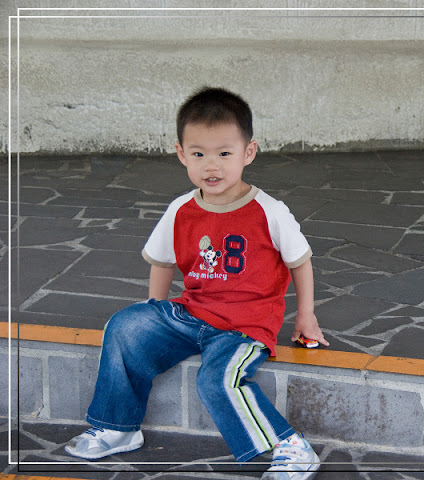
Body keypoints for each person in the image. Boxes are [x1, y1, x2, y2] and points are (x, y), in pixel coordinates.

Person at [65, 86, 329, 479]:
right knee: (125, 326)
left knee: (216, 379)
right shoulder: (181, 209)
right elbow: (162, 263)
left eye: (224, 153)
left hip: (244, 325)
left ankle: (290, 446)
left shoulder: (269, 211)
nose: (211, 166)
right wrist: (153, 313)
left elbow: (300, 262)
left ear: (248, 153)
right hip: (192, 314)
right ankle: (118, 427)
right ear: (181, 154)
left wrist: (305, 315)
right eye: (199, 154)